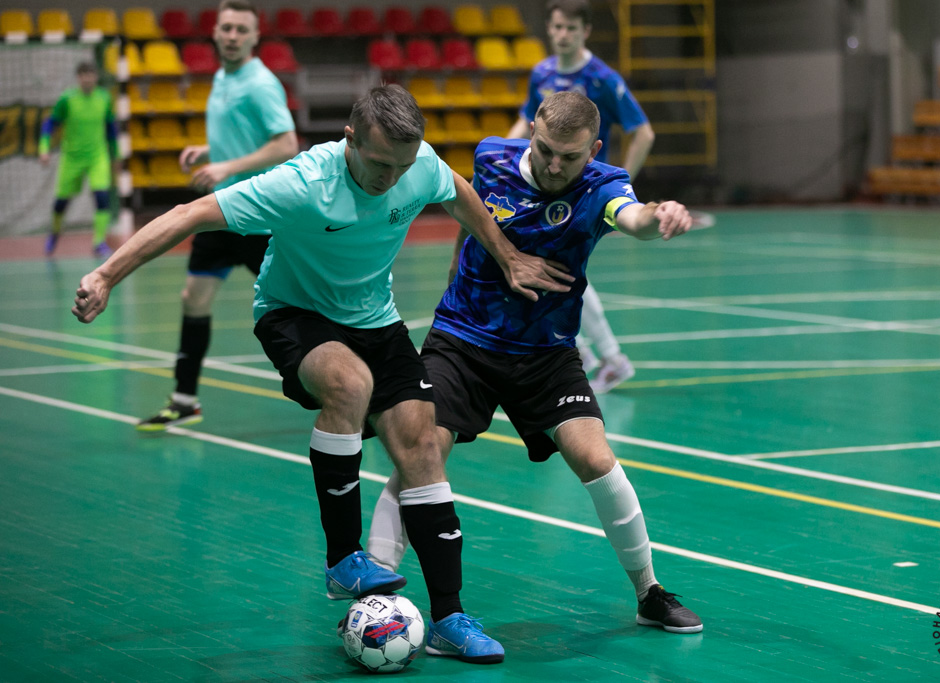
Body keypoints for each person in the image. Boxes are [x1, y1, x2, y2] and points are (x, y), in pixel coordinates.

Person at [73, 84, 575, 664]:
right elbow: (189, 216)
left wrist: (507, 255)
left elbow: (458, 191)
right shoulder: (301, 183)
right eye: (380, 163)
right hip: (294, 313)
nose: (391, 178)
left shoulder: (416, 165)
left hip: (375, 320)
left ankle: (449, 618)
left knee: (421, 445)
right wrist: (106, 276)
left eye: (402, 166)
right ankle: (343, 559)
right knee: (349, 383)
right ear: (350, 138)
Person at [367, 91, 704, 635]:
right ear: (532, 135)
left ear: (593, 150)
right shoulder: (491, 156)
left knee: (596, 459)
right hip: (463, 339)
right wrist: (461, 265)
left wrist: (658, 214)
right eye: (545, 150)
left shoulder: (601, 187)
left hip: (546, 352)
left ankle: (649, 593)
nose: (553, 165)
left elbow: (633, 218)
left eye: (569, 157)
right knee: (421, 450)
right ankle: (375, 591)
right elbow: (468, 212)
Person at [510, 0, 704, 393]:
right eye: (557, 27)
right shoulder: (542, 73)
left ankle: (605, 358)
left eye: (571, 28)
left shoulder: (602, 78)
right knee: (553, 270)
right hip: (546, 188)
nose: (563, 34)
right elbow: (525, 121)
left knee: (560, 271)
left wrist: (619, 184)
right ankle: (588, 354)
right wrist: (501, 157)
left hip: (582, 193)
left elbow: (643, 132)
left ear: (586, 31)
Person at [137, 0, 299, 431]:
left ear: (255, 36)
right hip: (221, 212)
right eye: (226, 28)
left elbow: (286, 144)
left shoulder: (260, 83)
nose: (232, 36)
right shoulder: (224, 76)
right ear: (214, 32)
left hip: (259, 218)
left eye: (241, 30)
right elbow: (246, 135)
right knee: (193, 298)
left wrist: (226, 166)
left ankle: (360, 385)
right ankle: (184, 400)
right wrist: (211, 151)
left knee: (304, 305)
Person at [39, 61, 119, 259]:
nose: (87, 79)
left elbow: (111, 129)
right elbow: (50, 123)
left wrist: (116, 155)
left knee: (102, 197)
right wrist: (44, 148)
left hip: (97, 156)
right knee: (61, 202)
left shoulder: (104, 98)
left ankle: (99, 242)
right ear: (78, 78)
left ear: (96, 77)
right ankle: (55, 233)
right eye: (83, 75)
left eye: (90, 75)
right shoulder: (67, 99)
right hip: (71, 158)